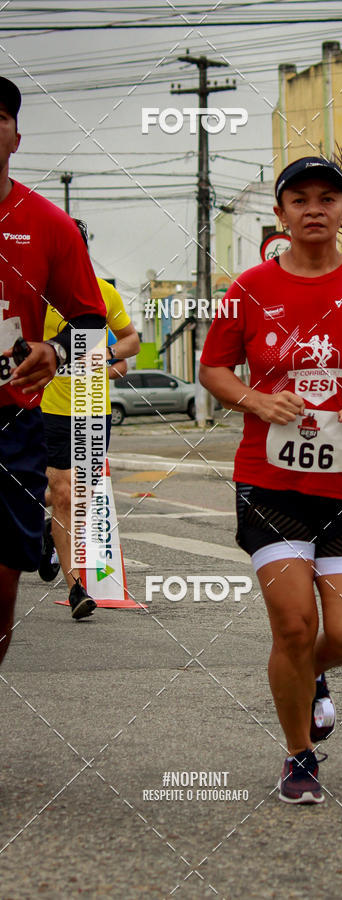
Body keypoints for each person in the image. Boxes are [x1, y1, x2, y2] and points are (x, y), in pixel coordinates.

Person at [199, 137, 342, 804]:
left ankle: (307, 675)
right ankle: (299, 756)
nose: (314, 209)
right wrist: (255, 398)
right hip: (271, 482)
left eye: (327, 198)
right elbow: (213, 369)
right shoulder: (249, 290)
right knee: (293, 626)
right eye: (299, 200)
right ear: (281, 215)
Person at [0, 77, 106, 664]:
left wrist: (57, 352)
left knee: (2, 591)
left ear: (16, 135)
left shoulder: (48, 225)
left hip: (12, 427)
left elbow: (91, 323)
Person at [38, 221, 140, 618]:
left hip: (93, 410)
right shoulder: (37, 293)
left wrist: (107, 358)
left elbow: (130, 340)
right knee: (61, 492)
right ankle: (77, 586)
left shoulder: (104, 292)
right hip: (49, 409)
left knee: (79, 497)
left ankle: (51, 533)